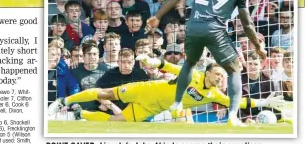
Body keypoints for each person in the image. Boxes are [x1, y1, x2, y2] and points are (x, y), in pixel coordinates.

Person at [146, 0, 267, 127]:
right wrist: (257, 46)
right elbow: (247, 24)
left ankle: (177, 103)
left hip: (193, 28)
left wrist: (157, 16)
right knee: (234, 70)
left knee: (189, 64)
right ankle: (233, 116)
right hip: (215, 30)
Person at [48, 57, 284, 122]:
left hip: (154, 107)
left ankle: (81, 115)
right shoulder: (194, 74)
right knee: (105, 94)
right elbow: (170, 66)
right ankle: (64, 101)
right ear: (209, 72)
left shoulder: (214, 94)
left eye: (223, 76)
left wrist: (263, 104)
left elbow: (239, 103)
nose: (221, 78)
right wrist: (153, 61)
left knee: (115, 122)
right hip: (147, 90)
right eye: (218, 74)